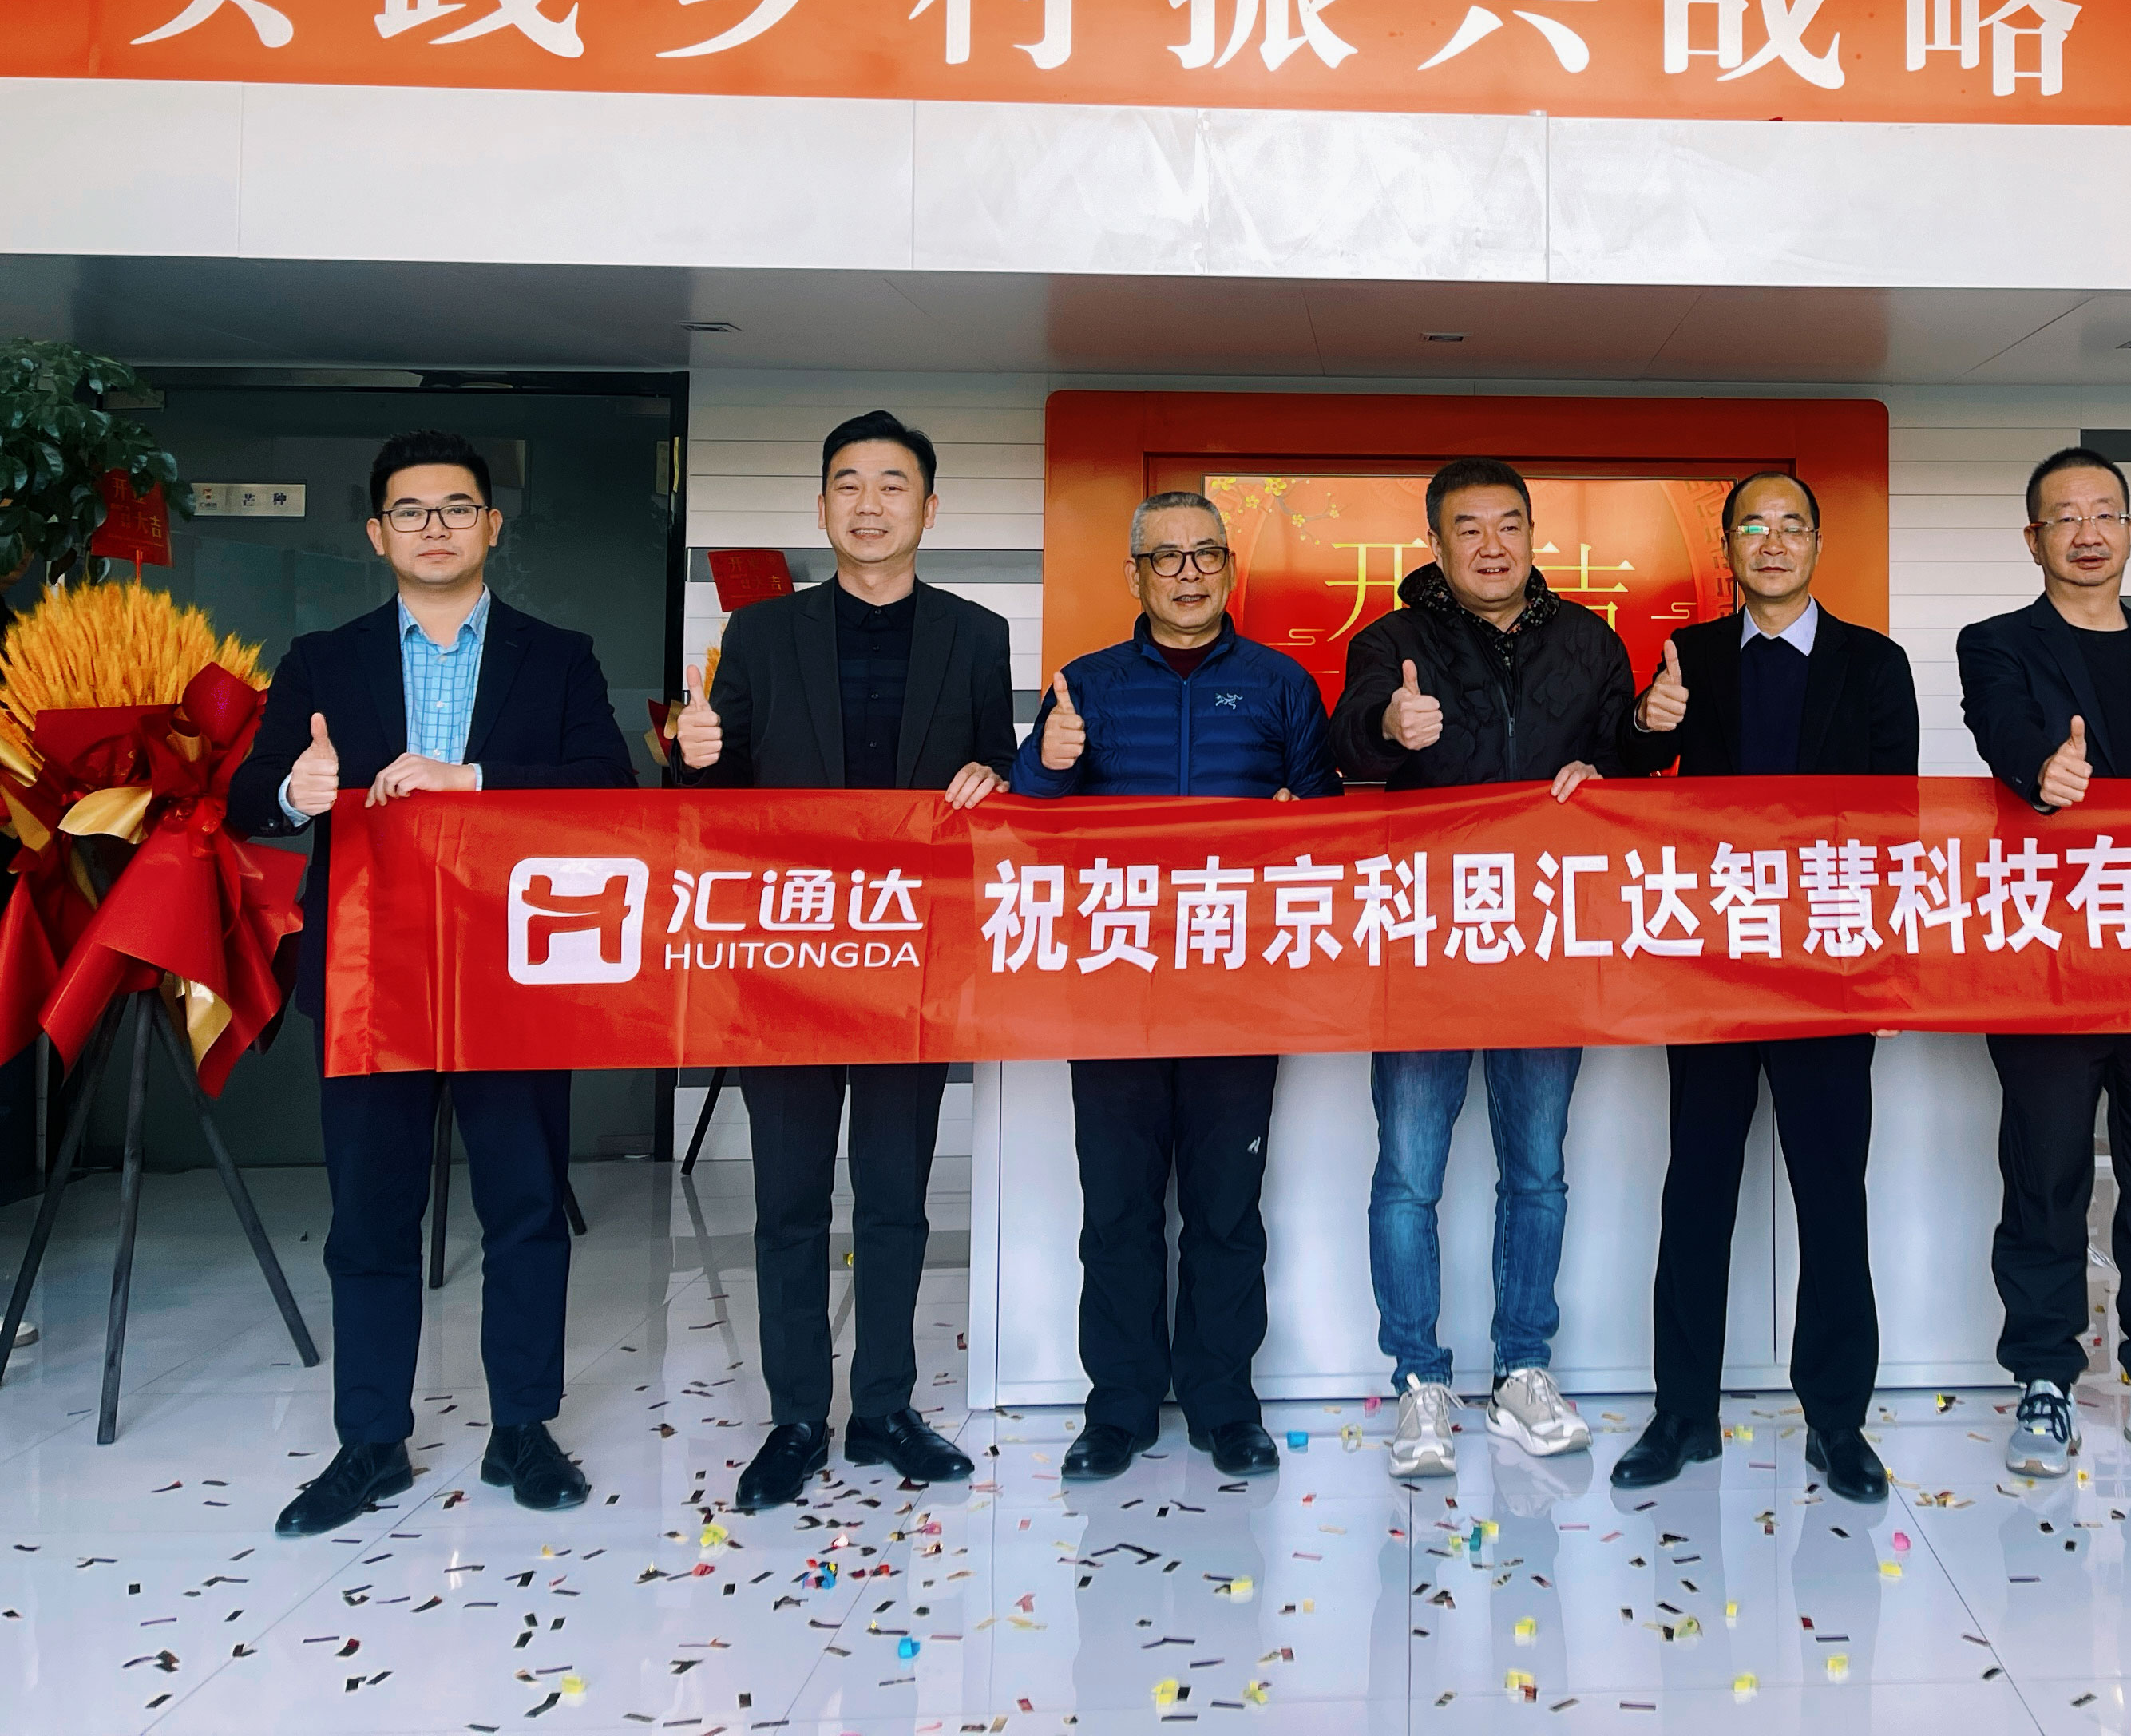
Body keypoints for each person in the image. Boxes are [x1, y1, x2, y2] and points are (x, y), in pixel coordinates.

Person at [227, 429, 637, 1537]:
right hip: (373, 976)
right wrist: (300, 791)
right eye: (411, 511)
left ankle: (523, 1430)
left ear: (492, 525)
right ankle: (371, 1442)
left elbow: (610, 788)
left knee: (524, 1206)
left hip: (513, 969)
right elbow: (250, 798)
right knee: (370, 1216)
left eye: (457, 507)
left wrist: (476, 781)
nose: (436, 527)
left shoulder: (557, 656)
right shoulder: (322, 659)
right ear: (378, 534)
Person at [667, 410, 1016, 1512]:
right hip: (788, 956)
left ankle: (885, 1410)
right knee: (787, 1200)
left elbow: (997, 773)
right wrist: (696, 758)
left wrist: (996, 777)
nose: (871, 505)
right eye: (850, 485)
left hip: (912, 956)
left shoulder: (976, 634)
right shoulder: (762, 634)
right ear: (821, 507)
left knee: (896, 1198)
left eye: (893, 485)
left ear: (929, 508)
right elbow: (716, 796)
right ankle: (795, 1418)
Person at [1331, 457, 1658, 1479]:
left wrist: (1629, 749)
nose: (1491, 545)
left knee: (1538, 1171)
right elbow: (1351, 748)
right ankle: (1419, 1381)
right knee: (1408, 1174)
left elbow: (1625, 769)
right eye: (1467, 528)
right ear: (1434, 544)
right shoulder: (1392, 641)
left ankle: (1523, 1368)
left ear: (1532, 534)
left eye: (1508, 524)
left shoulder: (1590, 641)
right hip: (1426, 941)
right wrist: (1390, 728)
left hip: (1545, 943)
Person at [1012, 489, 1341, 1484]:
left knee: (1226, 1208)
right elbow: (1028, 820)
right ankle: (1116, 1409)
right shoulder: (1086, 685)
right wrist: (1047, 763)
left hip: (1240, 986)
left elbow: (1326, 825)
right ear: (1135, 574)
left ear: (1230, 568)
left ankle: (1223, 1404)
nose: (1188, 573)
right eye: (1167, 557)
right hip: (1115, 985)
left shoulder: (1283, 685)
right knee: (1116, 1208)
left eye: (1205, 554)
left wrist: (1299, 816)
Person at [1610, 470, 1918, 1508]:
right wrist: (1649, 722)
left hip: (1829, 966)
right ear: (1730, 549)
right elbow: (1630, 766)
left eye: (1792, 526)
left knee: (1831, 1195)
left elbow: (1897, 822)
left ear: (1818, 544)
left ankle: (1837, 1420)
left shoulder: (1874, 664)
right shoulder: (1692, 656)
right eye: (1754, 526)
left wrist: (1870, 951)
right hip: (1713, 961)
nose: (1774, 542)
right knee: (1696, 1191)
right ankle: (1682, 1413)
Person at [1956, 444, 2131, 1481]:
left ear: (2129, 529)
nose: (2087, 532)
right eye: (2065, 516)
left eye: (2105, 513)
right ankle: (2044, 1375)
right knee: (2046, 1175)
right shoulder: (1995, 642)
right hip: (2045, 952)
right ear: (2033, 538)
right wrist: (2045, 770)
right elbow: (2003, 733)